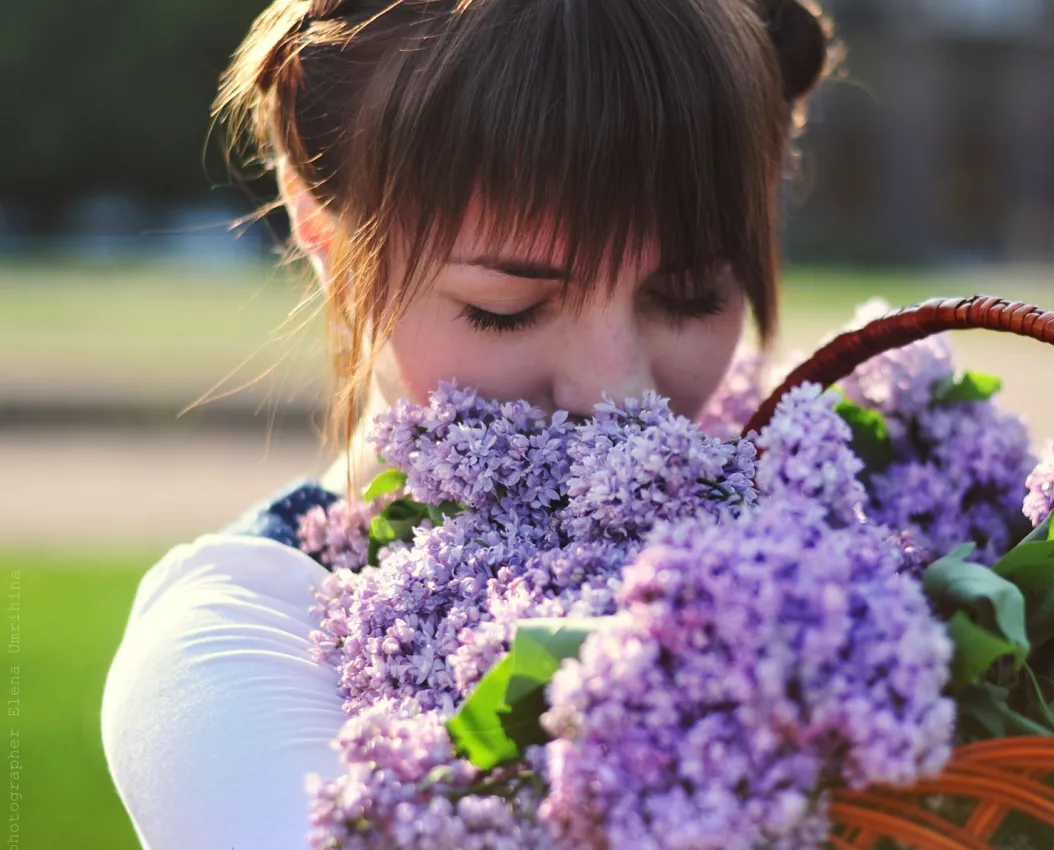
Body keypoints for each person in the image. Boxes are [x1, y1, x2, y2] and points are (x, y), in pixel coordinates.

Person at [100, 0, 831, 846]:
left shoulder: (825, 524)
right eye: (506, 309)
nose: (616, 390)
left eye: (689, 294)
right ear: (318, 222)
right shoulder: (233, 646)